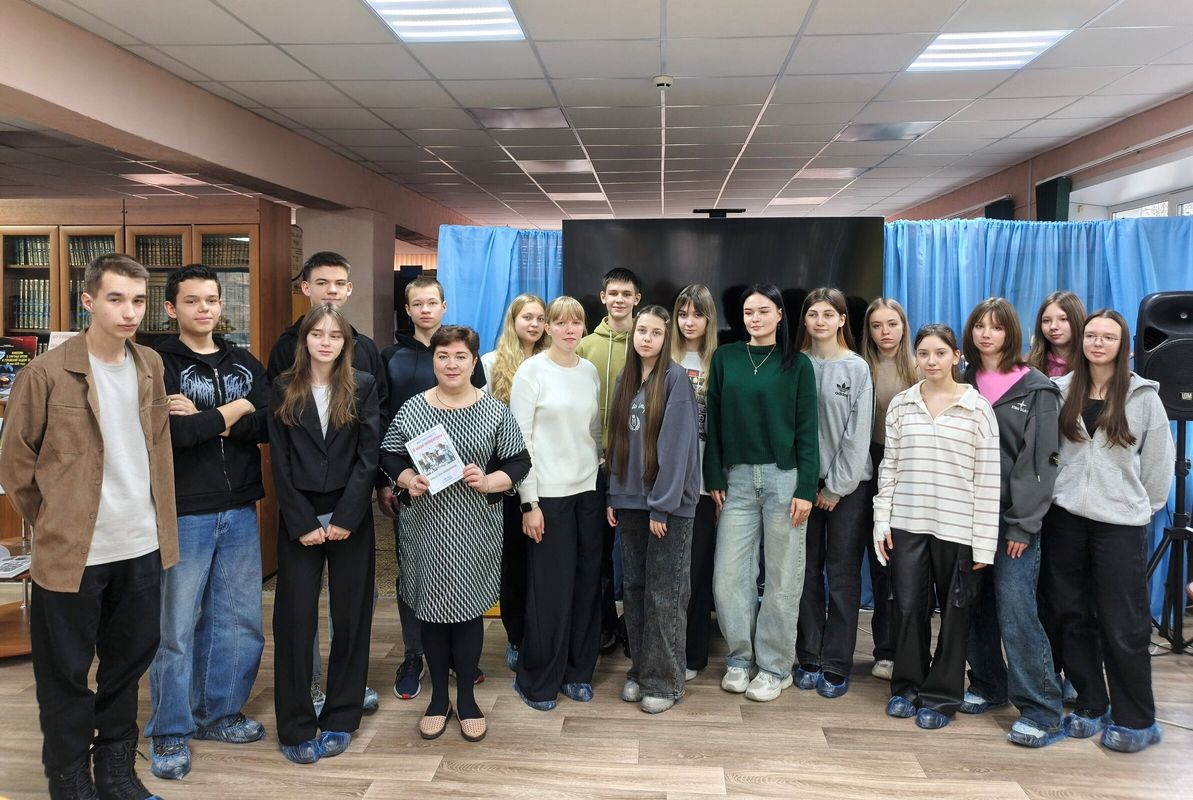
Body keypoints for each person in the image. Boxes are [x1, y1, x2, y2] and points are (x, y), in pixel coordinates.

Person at [0, 253, 178, 800]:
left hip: (141, 545)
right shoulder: (45, 373)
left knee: (126, 668)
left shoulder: (150, 364)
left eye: (138, 300)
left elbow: (156, 447)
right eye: (116, 299)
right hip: (73, 554)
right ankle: (70, 782)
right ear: (88, 301)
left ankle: (117, 775)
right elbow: (15, 466)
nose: (129, 312)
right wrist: (56, 522)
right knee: (66, 675)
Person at [146, 265, 271, 780]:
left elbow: (269, 423)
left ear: (222, 305)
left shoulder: (243, 361)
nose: (204, 309)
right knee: (175, 627)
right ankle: (170, 728)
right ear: (171, 308)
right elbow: (173, 436)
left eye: (212, 300)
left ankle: (219, 713)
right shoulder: (158, 364)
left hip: (240, 507)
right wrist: (238, 409)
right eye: (192, 301)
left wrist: (209, 418)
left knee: (239, 620)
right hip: (185, 511)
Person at [381, 325, 530, 742]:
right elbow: (389, 452)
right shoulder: (413, 409)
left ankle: (466, 698)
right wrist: (407, 478)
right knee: (431, 612)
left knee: (467, 614)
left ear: (473, 361)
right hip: (426, 528)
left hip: (475, 529)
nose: (451, 364)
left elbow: (519, 461)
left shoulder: (494, 410)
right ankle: (437, 699)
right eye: (443, 356)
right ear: (433, 360)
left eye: (460, 356)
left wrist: (489, 480)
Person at [1041, 309, 1174, 754]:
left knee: (1123, 622)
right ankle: (1091, 703)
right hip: (1065, 520)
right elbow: (1050, 454)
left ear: (1125, 347)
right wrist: (1060, 487)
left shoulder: (1144, 397)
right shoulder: (1060, 391)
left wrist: (1134, 506)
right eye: (1092, 335)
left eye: (1108, 337)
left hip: (1119, 525)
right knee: (1070, 613)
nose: (1098, 343)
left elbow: (1158, 468)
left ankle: (1137, 719)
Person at [267, 251, 387, 714]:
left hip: (348, 513)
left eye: (334, 335)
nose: (325, 341)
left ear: (346, 342)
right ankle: (300, 709)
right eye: (317, 334)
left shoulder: (362, 383)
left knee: (351, 613)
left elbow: (368, 454)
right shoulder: (284, 386)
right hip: (299, 515)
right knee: (295, 616)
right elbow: (280, 458)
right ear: (304, 339)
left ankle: (343, 706)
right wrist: (301, 520)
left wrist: (347, 516)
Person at [873, 324, 999, 731]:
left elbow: (988, 479)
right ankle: (907, 687)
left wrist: (984, 545)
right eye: (924, 353)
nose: (931, 361)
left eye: (940, 353)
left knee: (956, 613)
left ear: (956, 356)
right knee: (908, 608)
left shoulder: (978, 408)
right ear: (915, 357)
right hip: (908, 523)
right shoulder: (902, 404)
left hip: (958, 529)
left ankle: (943, 696)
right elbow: (889, 467)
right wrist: (881, 520)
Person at [958, 298, 1065, 748]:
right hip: (965, 517)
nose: (987, 334)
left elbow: (1042, 461)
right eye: (980, 326)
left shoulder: (1037, 388)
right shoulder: (960, 381)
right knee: (972, 606)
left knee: (1017, 610)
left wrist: (1023, 524)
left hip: (1012, 521)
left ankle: (1041, 709)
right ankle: (988, 684)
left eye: (997, 327)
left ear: (1011, 333)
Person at [704, 283, 818, 703]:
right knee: (729, 576)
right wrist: (713, 475)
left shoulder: (798, 364)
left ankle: (774, 667)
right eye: (749, 312)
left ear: (780, 315)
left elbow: (808, 429)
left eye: (764, 311)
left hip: (784, 479)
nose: (755, 318)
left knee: (783, 577)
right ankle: (740, 658)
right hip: (736, 479)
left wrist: (807, 487)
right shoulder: (726, 357)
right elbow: (714, 419)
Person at [378, 275, 486, 700]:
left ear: (444, 306)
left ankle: (460, 656)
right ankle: (414, 654)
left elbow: (482, 417)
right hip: (413, 485)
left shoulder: (462, 352)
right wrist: (388, 480)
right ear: (407, 310)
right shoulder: (391, 357)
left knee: (461, 567)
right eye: (417, 304)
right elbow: (382, 423)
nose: (425, 310)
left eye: (432, 302)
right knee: (414, 569)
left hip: (463, 490)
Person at [509, 296, 602, 711]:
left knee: (587, 584)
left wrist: (599, 475)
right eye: (560, 323)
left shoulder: (589, 371)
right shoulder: (532, 372)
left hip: (588, 491)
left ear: (583, 328)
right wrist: (529, 503)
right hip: (547, 495)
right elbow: (520, 442)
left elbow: (594, 432)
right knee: (550, 590)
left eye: (575, 323)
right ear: (547, 328)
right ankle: (538, 680)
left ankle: (578, 672)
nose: (568, 330)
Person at [607, 306, 700, 714]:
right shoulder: (625, 379)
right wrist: (614, 495)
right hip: (629, 502)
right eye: (641, 330)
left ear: (666, 338)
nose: (646, 338)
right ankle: (641, 670)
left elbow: (677, 449)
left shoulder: (676, 379)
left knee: (665, 592)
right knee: (635, 590)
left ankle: (665, 681)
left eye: (655, 332)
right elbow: (617, 441)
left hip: (667, 506)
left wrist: (661, 507)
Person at [793, 288, 874, 699]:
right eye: (813, 314)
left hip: (848, 489)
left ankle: (837, 662)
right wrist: (807, 485)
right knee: (805, 572)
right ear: (804, 320)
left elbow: (857, 437)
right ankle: (808, 654)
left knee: (841, 576)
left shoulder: (857, 368)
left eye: (828, 314)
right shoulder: (796, 363)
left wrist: (836, 487)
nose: (820, 321)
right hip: (802, 488)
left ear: (842, 319)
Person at [576, 267, 643, 654]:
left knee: (634, 552)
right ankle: (602, 625)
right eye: (612, 293)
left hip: (634, 464)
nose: (619, 299)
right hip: (591, 465)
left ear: (637, 299)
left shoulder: (646, 341)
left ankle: (633, 626)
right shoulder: (585, 346)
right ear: (603, 297)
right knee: (597, 552)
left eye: (626, 294)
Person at [479, 294, 547, 671]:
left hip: (546, 478)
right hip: (506, 480)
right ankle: (516, 637)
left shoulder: (553, 361)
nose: (534, 324)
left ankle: (542, 633)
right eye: (527, 317)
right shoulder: (491, 363)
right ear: (513, 320)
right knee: (514, 563)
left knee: (543, 562)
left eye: (540, 318)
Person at [1026, 290, 1087, 706]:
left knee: (1072, 593)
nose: (1054, 327)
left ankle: (1076, 674)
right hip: (1037, 492)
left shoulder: (1091, 369)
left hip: (1075, 493)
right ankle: (1046, 671)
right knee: (1042, 591)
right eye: (1048, 320)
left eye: (1062, 319)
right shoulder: (1031, 369)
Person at [859, 298, 917, 681]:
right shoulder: (859, 366)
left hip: (907, 469)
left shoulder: (919, 366)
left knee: (901, 563)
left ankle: (900, 649)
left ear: (903, 326)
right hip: (864, 463)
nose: (885, 332)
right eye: (877, 325)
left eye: (891, 324)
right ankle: (883, 649)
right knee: (877, 562)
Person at [671, 284, 719, 680]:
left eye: (697, 314)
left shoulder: (719, 361)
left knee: (697, 570)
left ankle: (692, 654)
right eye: (683, 314)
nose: (689, 322)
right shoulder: (664, 357)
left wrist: (719, 480)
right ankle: (665, 648)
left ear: (708, 319)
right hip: (668, 483)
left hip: (704, 484)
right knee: (668, 572)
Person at [1027, 291, 1087, 378]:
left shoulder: (1092, 364)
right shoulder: (1029, 367)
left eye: (1063, 319)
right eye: (1046, 320)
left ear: (1077, 320)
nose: (1053, 326)